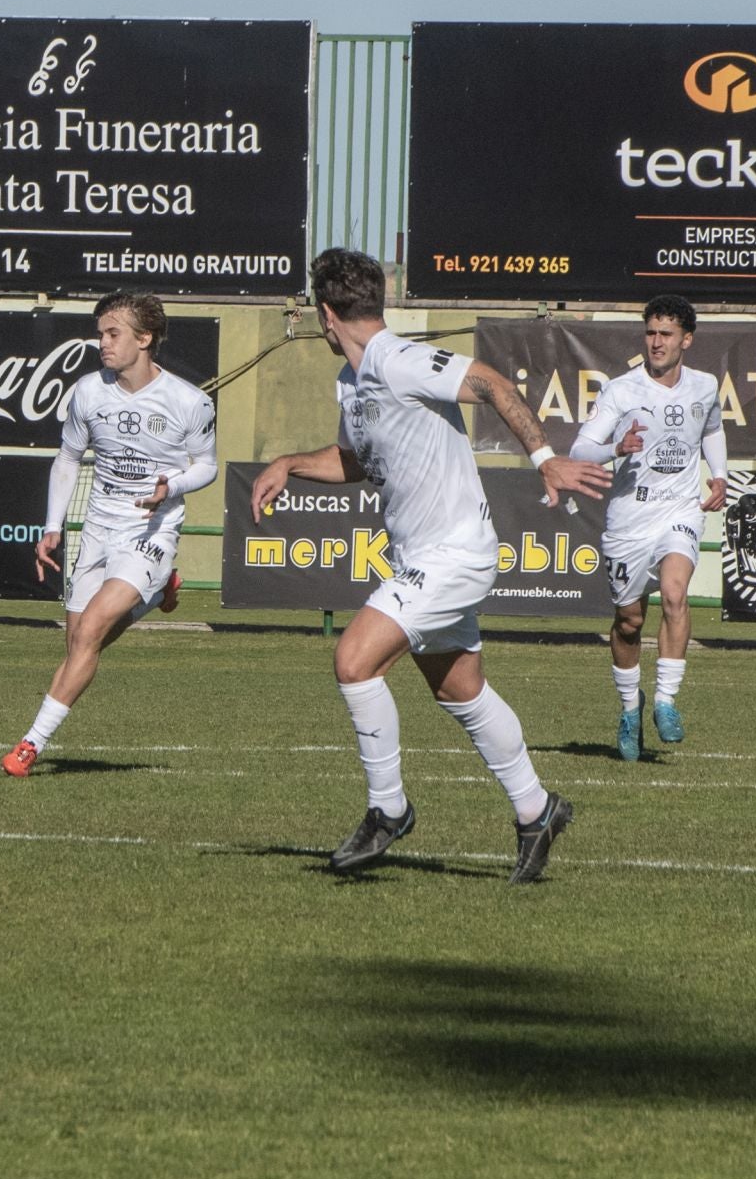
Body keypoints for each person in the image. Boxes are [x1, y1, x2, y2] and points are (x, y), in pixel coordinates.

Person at [248, 249, 610, 883]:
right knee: (457, 689)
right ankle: (537, 809)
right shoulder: (353, 383)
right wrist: (289, 463)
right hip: (422, 554)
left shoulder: (399, 358)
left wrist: (545, 458)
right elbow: (359, 461)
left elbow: (492, 383)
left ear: (327, 315)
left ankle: (388, 809)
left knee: (354, 660)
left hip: (453, 551)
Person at [1, 291, 217, 777]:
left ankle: (29, 746)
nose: (102, 342)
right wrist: (53, 527)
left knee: (93, 630)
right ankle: (156, 592)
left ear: (145, 338)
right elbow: (68, 458)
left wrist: (173, 485)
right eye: (100, 333)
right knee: (80, 642)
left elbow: (208, 466)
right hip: (97, 528)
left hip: (151, 531)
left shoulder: (190, 401)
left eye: (113, 333)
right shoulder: (87, 392)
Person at [568, 296, 726, 759]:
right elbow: (580, 451)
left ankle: (665, 702)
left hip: (679, 510)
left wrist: (719, 475)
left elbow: (711, 430)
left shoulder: (705, 386)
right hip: (629, 520)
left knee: (676, 594)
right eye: (651, 333)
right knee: (630, 621)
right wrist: (617, 447)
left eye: (666, 334)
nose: (656, 342)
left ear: (687, 340)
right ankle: (629, 707)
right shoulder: (622, 390)